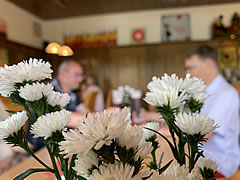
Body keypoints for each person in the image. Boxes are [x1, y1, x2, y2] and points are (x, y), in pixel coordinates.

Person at [184, 45, 240, 178]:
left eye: (191, 68)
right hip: (200, 156)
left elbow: (204, 136)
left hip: (218, 162)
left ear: (208, 64)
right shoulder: (199, 91)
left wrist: (171, 133)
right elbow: (179, 115)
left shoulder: (226, 94)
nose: (188, 73)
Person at [51, 60, 90, 127]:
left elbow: (85, 111)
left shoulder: (72, 92)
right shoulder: (49, 90)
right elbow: (63, 119)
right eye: (77, 75)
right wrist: (100, 116)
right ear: (63, 75)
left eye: (82, 75)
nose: (81, 79)